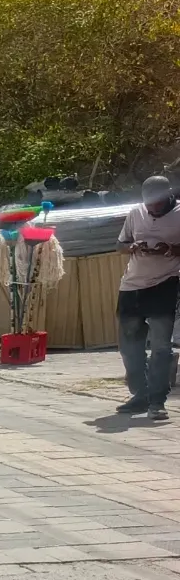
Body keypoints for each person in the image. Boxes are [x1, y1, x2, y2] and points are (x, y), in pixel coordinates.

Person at [116, 175, 180, 421]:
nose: (152, 207)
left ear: (168, 195)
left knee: (161, 347)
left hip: (165, 284)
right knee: (129, 347)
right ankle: (140, 395)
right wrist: (132, 247)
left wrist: (171, 249)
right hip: (131, 286)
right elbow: (120, 244)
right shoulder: (135, 213)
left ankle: (157, 401)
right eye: (148, 203)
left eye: (157, 203)